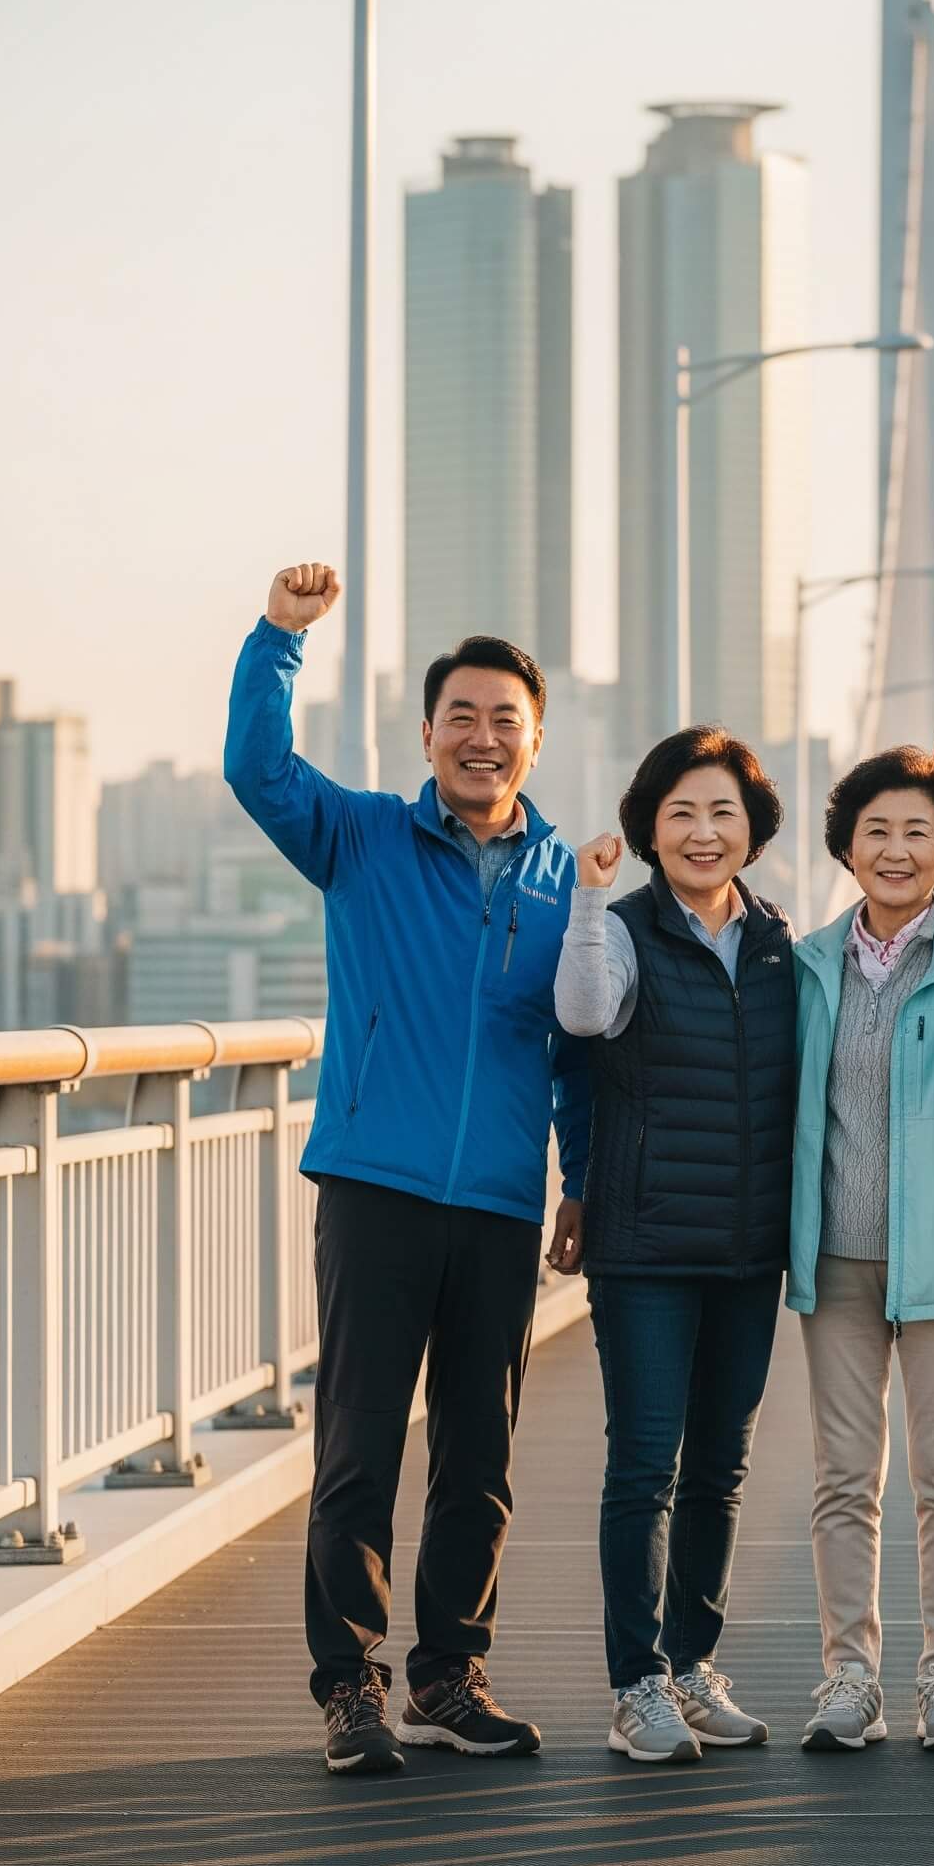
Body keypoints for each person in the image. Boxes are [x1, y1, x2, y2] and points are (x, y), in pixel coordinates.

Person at [223, 563, 591, 1777]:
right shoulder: (364, 836)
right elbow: (257, 771)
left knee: (479, 1458)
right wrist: (280, 637)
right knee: (359, 1446)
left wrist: (578, 1181)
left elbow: (581, 1046)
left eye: (505, 720)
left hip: (497, 1201)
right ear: (426, 733)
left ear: (534, 741)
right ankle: (349, 1682)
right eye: (461, 716)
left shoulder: (566, 882)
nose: (483, 737)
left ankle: (447, 1674)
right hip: (375, 1185)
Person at [553, 726, 796, 1764]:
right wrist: (587, 899)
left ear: (753, 829)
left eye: (722, 812)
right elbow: (580, 1015)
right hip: (645, 1244)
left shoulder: (778, 942)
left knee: (720, 1471)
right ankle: (636, 1685)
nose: (703, 831)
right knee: (645, 1465)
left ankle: (692, 1665)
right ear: (649, 828)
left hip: (748, 1246)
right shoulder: (621, 930)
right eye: (681, 812)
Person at [787, 746, 934, 1756]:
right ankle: (849, 1677)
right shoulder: (807, 965)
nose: (895, 849)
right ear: (846, 846)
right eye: (876, 830)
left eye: (917, 833)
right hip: (837, 1262)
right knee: (844, 1478)